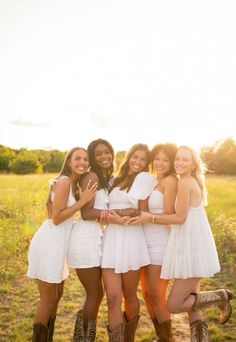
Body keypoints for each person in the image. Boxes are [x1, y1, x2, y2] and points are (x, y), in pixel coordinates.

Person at [129, 146, 233, 341]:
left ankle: (220, 296)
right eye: (178, 159)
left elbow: (179, 218)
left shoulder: (184, 182)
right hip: (189, 245)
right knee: (191, 302)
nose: (180, 163)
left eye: (185, 160)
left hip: (191, 246)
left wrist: (148, 217)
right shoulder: (186, 181)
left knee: (174, 305)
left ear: (194, 163)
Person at [27, 147, 97, 342]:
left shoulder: (72, 183)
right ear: (69, 161)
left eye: (85, 159)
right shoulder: (65, 181)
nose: (82, 162)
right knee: (48, 299)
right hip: (50, 242)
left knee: (56, 296)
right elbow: (56, 218)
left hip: (58, 243)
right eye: (77, 158)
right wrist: (82, 202)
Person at [101, 143, 152, 342]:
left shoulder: (144, 180)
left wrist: (127, 216)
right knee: (113, 297)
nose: (137, 162)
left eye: (142, 159)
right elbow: (103, 209)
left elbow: (142, 212)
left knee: (130, 295)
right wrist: (117, 216)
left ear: (147, 164)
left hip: (132, 240)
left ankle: (128, 338)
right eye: (135, 157)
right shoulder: (113, 179)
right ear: (128, 157)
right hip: (112, 239)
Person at [67, 139, 115, 342]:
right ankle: (84, 339)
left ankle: (82, 336)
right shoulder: (91, 176)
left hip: (95, 237)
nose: (104, 156)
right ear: (92, 159)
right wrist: (118, 212)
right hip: (85, 238)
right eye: (98, 154)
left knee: (96, 293)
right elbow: (86, 213)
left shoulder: (103, 177)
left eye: (107, 152)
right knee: (95, 293)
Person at [138, 143, 177, 341]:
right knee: (146, 294)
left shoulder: (170, 181)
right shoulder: (152, 180)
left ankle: (167, 339)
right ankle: (161, 336)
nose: (160, 163)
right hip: (143, 242)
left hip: (159, 243)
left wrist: (149, 217)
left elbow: (170, 215)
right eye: (158, 159)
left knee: (156, 294)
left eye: (165, 159)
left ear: (171, 162)